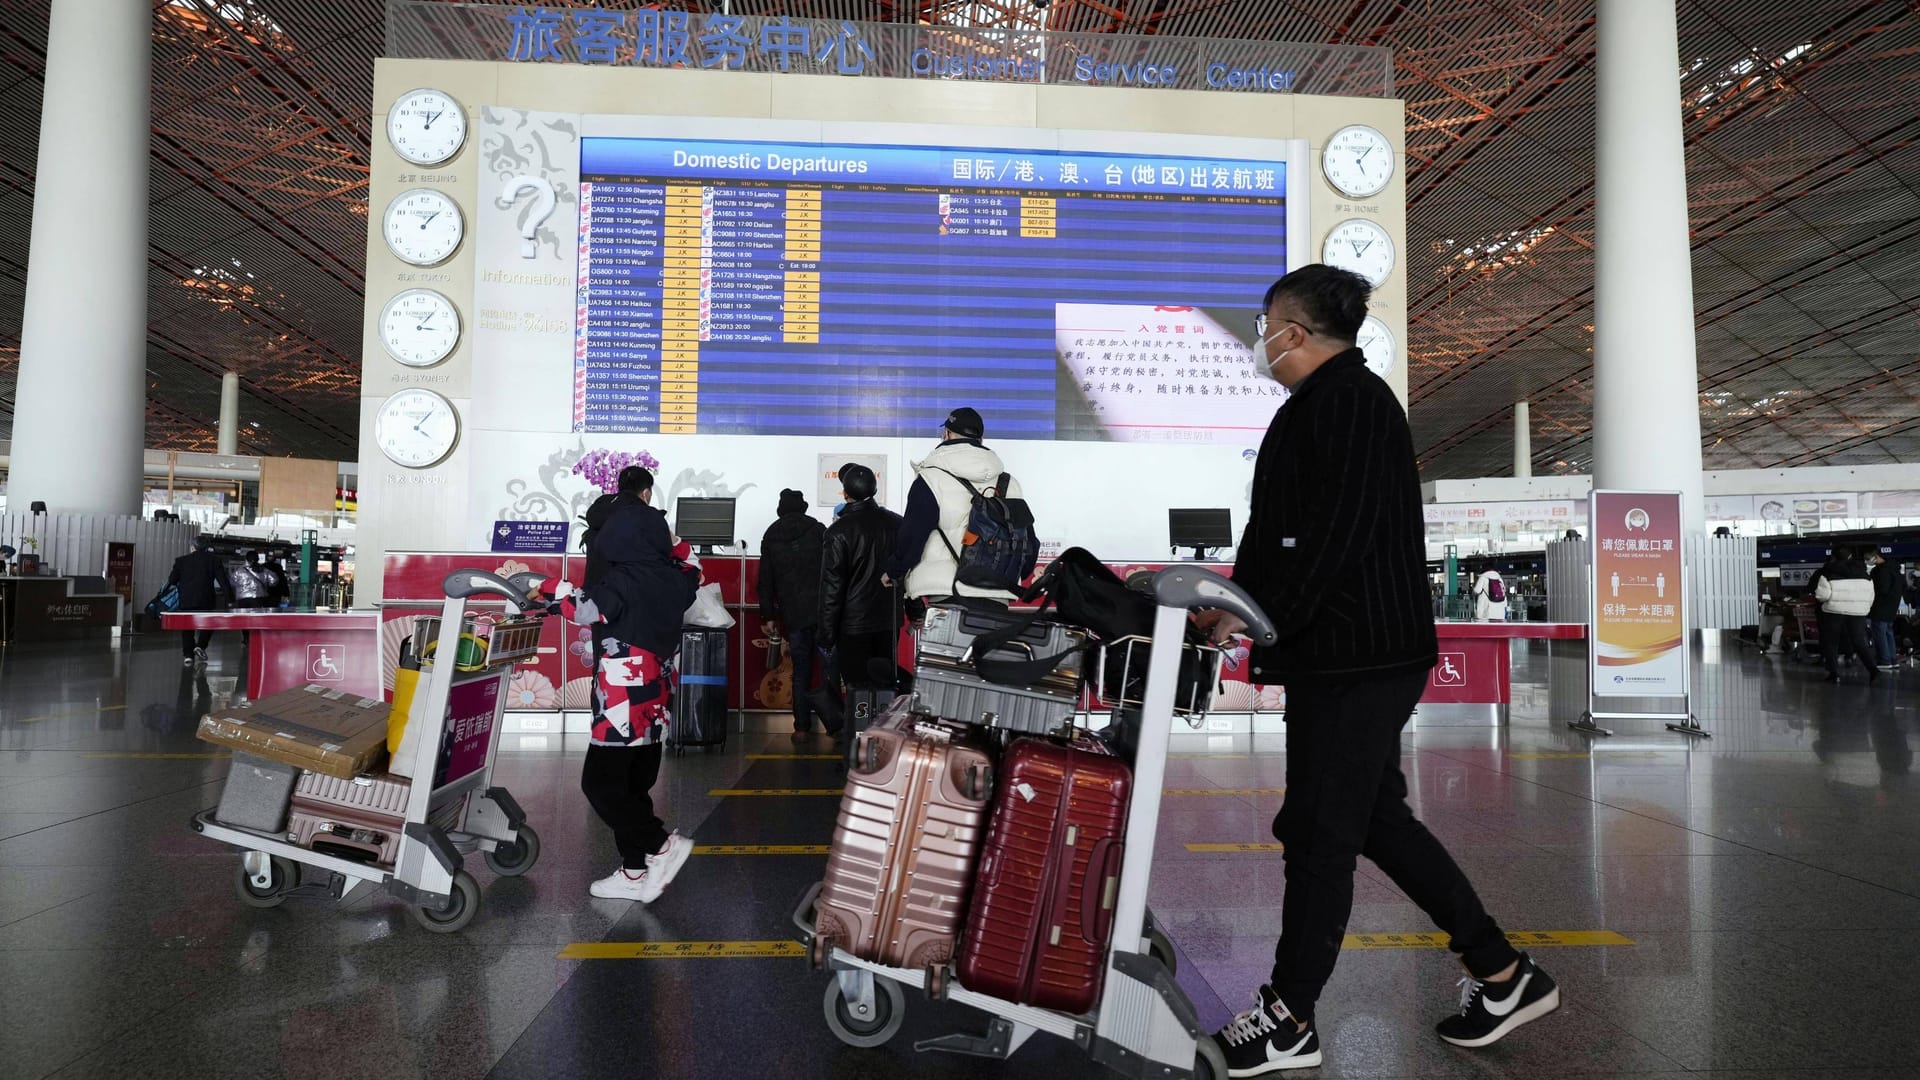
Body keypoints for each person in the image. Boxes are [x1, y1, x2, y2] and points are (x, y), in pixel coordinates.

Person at [1200, 265, 1557, 1073]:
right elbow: (1277, 531)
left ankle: (1289, 1016)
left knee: (1321, 831)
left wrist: (1264, 611)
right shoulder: (1308, 410)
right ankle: (1503, 973)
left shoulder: (1357, 404)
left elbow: (1337, 539)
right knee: (1370, 820)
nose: (1262, 341)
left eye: (1266, 325)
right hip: (1333, 652)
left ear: (1298, 330)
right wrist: (1237, 600)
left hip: (1364, 653)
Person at [534, 467, 699, 903]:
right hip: (656, 701)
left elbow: (584, 608)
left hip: (622, 698)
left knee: (601, 785)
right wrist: (674, 543)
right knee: (632, 788)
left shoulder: (624, 578)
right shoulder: (675, 579)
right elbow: (693, 567)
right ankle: (632, 870)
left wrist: (543, 585)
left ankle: (663, 846)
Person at [886, 406, 1024, 616]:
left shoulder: (931, 478)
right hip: (998, 594)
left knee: (951, 649)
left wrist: (894, 571)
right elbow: (1025, 538)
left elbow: (913, 535)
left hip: (948, 592)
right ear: (981, 440)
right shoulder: (1009, 483)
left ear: (947, 435)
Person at [819, 463, 904, 708]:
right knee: (886, 685)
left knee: (859, 690)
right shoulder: (897, 524)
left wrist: (826, 634)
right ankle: (884, 739)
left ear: (845, 494)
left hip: (853, 625)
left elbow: (832, 588)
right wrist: (915, 612)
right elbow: (906, 574)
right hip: (889, 620)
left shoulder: (838, 532)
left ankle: (860, 739)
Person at [758, 488, 826, 743]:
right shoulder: (818, 530)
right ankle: (836, 724)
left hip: (793, 614)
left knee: (801, 671)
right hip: (823, 612)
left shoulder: (771, 534)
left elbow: (766, 581)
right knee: (830, 668)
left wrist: (768, 615)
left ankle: (801, 727)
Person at [581, 465, 653, 589]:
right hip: (626, 596)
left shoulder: (601, 506)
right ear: (646, 493)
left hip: (592, 595)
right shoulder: (644, 514)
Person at [1816, 549, 1879, 683]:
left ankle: (1834, 674)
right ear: (1850, 557)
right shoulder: (1865, 574)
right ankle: (1874, 670)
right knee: (1859, 643)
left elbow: (1823, 596)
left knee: (1831, 643)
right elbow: (1871, 596)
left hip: (1834, 612)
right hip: (1858, 613)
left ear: (1834, 558)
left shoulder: (1828, 573)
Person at [168, 537, 230, 668]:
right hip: (206, 599)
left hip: (187, 599)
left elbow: (172, 580)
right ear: (207, 547)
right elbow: (223, 582)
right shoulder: (214, 560)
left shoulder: (181, 561)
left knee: (187, 627)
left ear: (192, 547)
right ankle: (201, 645)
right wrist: (230, 600)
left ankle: (188, 656)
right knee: (209, 623)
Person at [1868, 550, 1901, 670]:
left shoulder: (1881, 571)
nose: (1872, 559)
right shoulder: (1895, 570)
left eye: (1873, 557)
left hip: (1880, 607)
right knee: (1888, 633)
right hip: (1891, 608)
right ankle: (1892, 660)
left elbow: (1882, 590)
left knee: (1880, 634)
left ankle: (1885, 661)